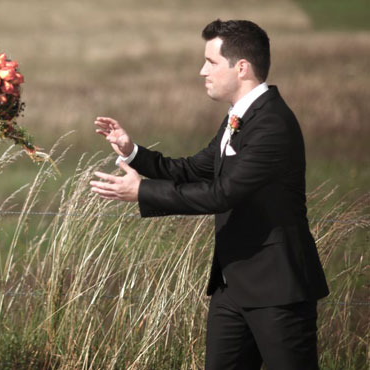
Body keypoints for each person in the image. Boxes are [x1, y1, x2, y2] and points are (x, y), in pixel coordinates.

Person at [90, 20, 329, 369]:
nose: (202, 71)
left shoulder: (273, 124)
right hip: (231, 287)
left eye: (211, 62)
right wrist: (133, 153)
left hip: (277, 290)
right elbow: (192, 169)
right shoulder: (238, 117)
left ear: (242, 67)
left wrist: (142, 191)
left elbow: (222, 194)